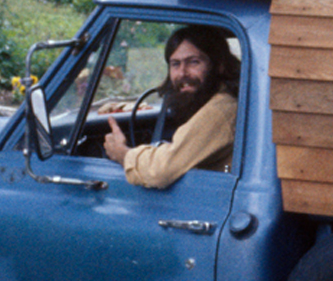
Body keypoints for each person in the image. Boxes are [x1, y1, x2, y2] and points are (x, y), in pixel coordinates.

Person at [102, 25, 238, 188]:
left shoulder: (221, 109)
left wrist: (123, 154)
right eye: (175, 64)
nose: (182, 73)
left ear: (219, 65)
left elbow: (161, 170)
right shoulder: (213, 103)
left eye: (194, 62)